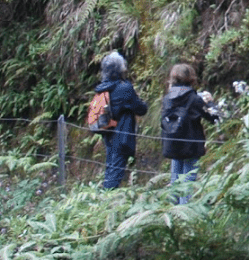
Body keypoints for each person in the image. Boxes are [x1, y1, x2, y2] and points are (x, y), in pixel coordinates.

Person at [161, 63, 220, 199]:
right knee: (188, 182)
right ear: (191, 79)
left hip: (172, 144)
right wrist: (210, 102)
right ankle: (184, 213)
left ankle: (173, 212)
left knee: (175, 181)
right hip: (190, 146)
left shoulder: (167, 99)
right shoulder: (194, 99)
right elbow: (214, 117)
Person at [93, 51, 148, 190]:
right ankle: (108, 201)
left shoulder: (102, 88)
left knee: (110, 165)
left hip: (108, 131)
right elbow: (141, 109)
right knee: (116, 169)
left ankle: (105, 198)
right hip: (122, 132)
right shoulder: (124, 88)